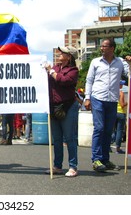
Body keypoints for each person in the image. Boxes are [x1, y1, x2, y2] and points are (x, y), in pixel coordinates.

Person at [84, 38, 130, 172]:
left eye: (104, 46)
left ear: (112, 48)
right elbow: (89, 80)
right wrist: (87, 98)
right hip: (97, 97)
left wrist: (130, 63)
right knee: (99, 127)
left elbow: (129, 75)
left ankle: (105, 158)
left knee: (109, 130)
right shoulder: (95, 62)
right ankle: (96, 159)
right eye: (101, 46)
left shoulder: (121, 62)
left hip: (112, 100)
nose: (102, 48)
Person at [45, 46, 79, 177]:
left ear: (69, 56)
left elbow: (63, 80)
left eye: (63, 52)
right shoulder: (56, 68)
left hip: (68, 106)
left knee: (70, 138)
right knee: (57, 138)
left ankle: (73, 166)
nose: (60, 54)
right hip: (53, 106)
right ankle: (57, 166)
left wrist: (51, 72)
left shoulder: (73, 70)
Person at [112, 80, 127, 154]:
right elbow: (122, 104)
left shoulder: (113, 92)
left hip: (114, 112)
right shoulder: (121, 93)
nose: (122, 86)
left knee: (112, 130)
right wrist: (126, 103)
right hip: (121, 112)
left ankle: (108, 145)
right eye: (122, 84)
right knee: (119, 131)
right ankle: (118, 148)